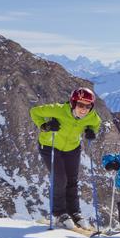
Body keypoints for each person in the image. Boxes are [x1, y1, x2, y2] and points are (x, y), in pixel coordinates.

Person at [30, 87, 102, 229]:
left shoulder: (92, 116)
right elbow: (34, 112)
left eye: (88, 106)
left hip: (72, 148)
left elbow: (96, 124)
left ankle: (74, 212)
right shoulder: (58, 110)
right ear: (73, 103)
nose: (84, 109)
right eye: (80, 105)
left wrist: (91, 131)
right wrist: (45, 126)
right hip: (49, 145)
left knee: (72, 180)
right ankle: (59, 214)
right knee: (60, 178)